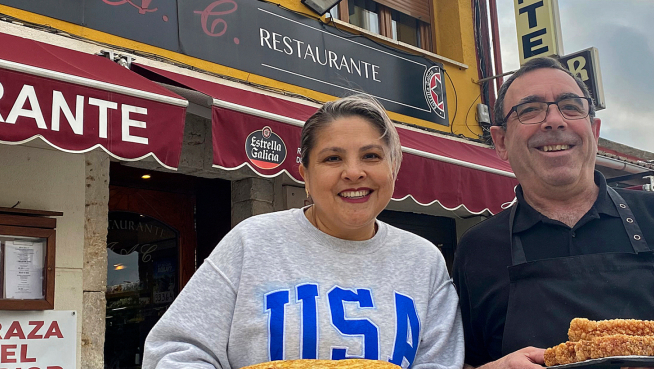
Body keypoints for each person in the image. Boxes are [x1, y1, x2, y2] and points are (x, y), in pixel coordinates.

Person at [453, 57, 654, 369]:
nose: (554, 120)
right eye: (530, 110)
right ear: (501, 141)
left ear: (593, 131)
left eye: (570, 106)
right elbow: (462, 360)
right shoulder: (478, 248)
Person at [144, 94, 464, 369]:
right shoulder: (253, 242)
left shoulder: (424, 262)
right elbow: (173, 351)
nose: (353, 172)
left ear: (393, 168)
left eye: (371, 156)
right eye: (333, 158)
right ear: (305, 176)